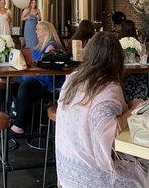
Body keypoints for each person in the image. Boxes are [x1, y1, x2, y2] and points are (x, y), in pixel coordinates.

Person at [56, 32, 147, 188]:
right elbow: (108, 134)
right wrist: (133, 110)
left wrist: (129, 107)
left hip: (65, 173)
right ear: (118, 59)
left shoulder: (72, 79)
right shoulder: (109, 88)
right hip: (93, 178)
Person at [11, 21, 64, 134]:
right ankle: (24, 116)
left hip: (46, 81)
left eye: (38, 29)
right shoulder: (40, 45)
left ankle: (19, 124)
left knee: (25, 87)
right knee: (14, 85)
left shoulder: (51, 45)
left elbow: (47, 64)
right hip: (36, 77)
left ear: (46, 32)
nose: (35, 32)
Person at [119, 19, 148, 101]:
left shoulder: (119, 42)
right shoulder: (137, 42)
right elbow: (143, 56)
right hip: (139, 75)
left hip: (124, 76)